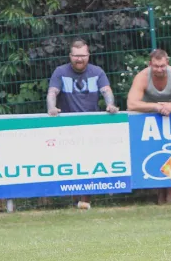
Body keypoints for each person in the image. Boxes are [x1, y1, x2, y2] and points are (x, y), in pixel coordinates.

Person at [47, 38, 119, 209]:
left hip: (91, 125)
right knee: (69, 162)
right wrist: (52, 107)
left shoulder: (97, 71)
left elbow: (107, 91)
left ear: (88, 55)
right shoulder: (60, 71)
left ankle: (84, 200)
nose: (79, 59)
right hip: (67, 126)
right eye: (76, 56)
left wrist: (110, 104)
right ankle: (72, 199)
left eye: (83, 56)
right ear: (70, 56)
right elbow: (52, 92)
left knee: (89, 162)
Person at [127, 48, 171, 204]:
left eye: (162, 66)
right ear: (150, 64)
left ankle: (170, 196)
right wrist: (157, 107)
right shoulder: (142, 77)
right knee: (153, 154)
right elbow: (131, 103)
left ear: (167, 63)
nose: (159, 69)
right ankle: (159, 196)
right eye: (156, 66)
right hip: (149, 118)